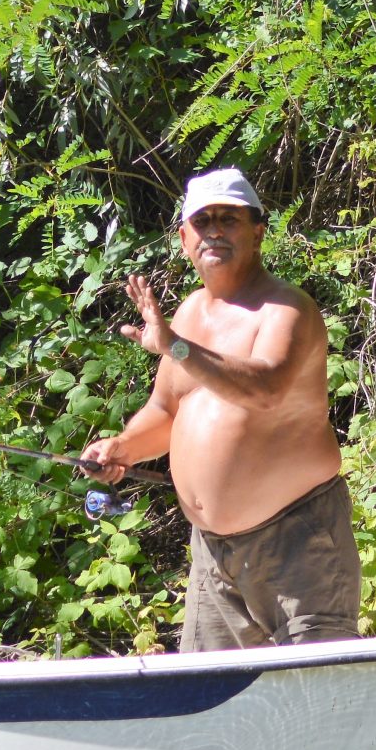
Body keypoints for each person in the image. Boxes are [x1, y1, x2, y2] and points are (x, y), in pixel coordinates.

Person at [80, 167, 360, 649]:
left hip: (297, 543)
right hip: (213, 554)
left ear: (257, 231)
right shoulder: (189, 313)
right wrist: (121, 447)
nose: (214, 230)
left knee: (321, 695)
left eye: (228, 219)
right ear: (184, 238)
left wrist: (176, 347)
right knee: (214, 704)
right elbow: (166, 412)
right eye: (202, 221)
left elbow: (266, 389)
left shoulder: (287, 310)